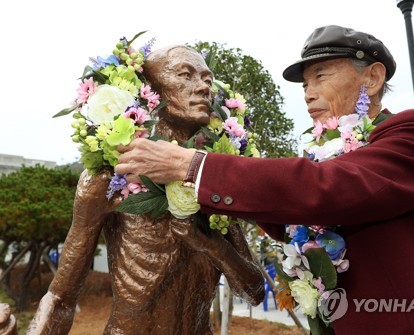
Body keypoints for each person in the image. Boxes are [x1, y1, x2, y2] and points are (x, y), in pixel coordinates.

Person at [115, 25, 414, 334]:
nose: (308, 93)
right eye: (304, 84)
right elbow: (290, 215)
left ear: (372, 78)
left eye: (320, 76)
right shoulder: (329, 153)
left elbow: (326, 189)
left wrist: (193, 166)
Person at [27, 45, 264, 335]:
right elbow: (61, 298)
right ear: (150, 91)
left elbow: (255, 292)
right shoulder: (108, 179)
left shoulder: (214, 181)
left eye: (207, 79)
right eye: (185, 75)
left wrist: (214, 245)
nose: (202, 86)